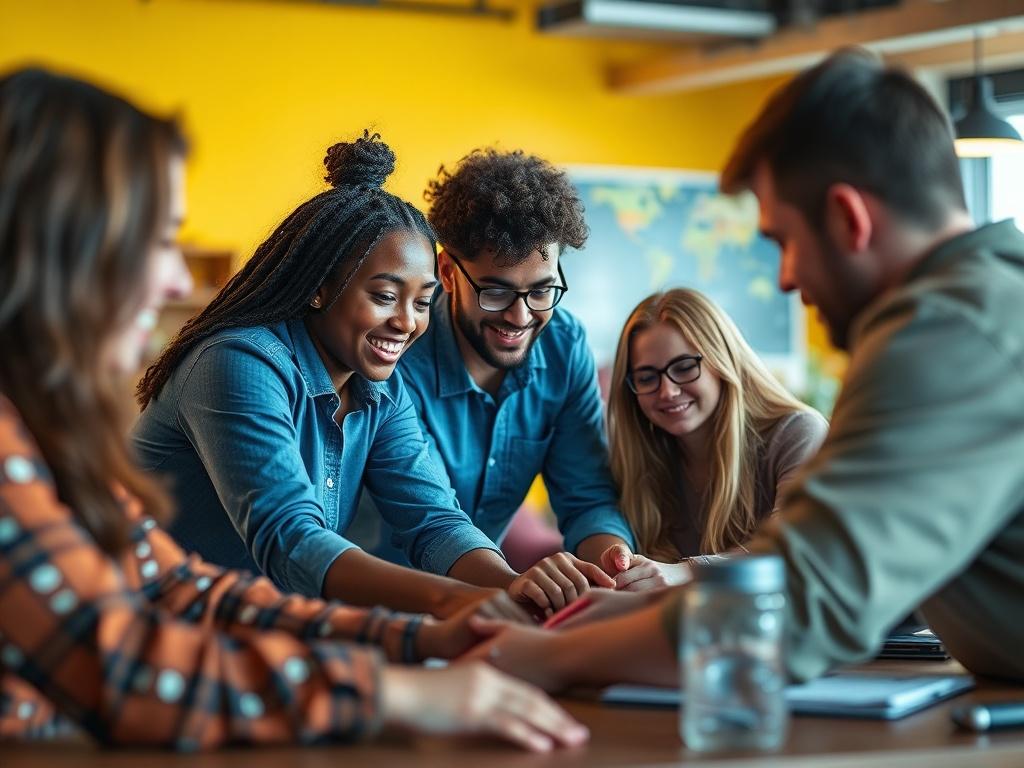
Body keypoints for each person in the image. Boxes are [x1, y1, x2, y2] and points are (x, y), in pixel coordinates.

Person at [0, 67, 589, 751]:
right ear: (63, 245)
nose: (174, 279)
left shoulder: (46, 430)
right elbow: (130, 660)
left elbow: (188, 589)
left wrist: (445, 626)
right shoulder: (236, 363)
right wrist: (400, 685)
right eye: (159, 240)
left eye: (423, 299)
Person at [460, 48, 1024, 689]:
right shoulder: (987, 306)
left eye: (784, 241)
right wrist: (630, 608)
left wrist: (533, 659)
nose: (786, 279)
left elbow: (805, 602)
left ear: (848, 219)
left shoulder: (945, 334)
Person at [132, 133, 556, 619]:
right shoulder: (238, 364)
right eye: (383, 296)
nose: (407, 322)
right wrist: (468, 602)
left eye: (422, 302)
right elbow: (292, 539)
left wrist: (515, 587)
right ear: (319, 288)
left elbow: (434, 521)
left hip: (254, 638)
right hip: (148, 637)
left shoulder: (379, 390)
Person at [354, 148, 636, 615]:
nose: (520, 316)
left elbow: (586, 494)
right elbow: (433, 520)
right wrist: (515, 585)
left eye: (542, 290)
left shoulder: (564, 347)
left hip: (487, 605)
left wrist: (614, 566)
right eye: (496, 290)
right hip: (374, 608)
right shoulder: (395, 355)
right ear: (447, 272)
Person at [599, 288, 827, 592]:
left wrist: (685, 572)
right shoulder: (639, 458)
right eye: (647, 377)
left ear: (723, 361)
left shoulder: (798, 433)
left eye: (684, 368)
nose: (667, 391)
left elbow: (797, 554)